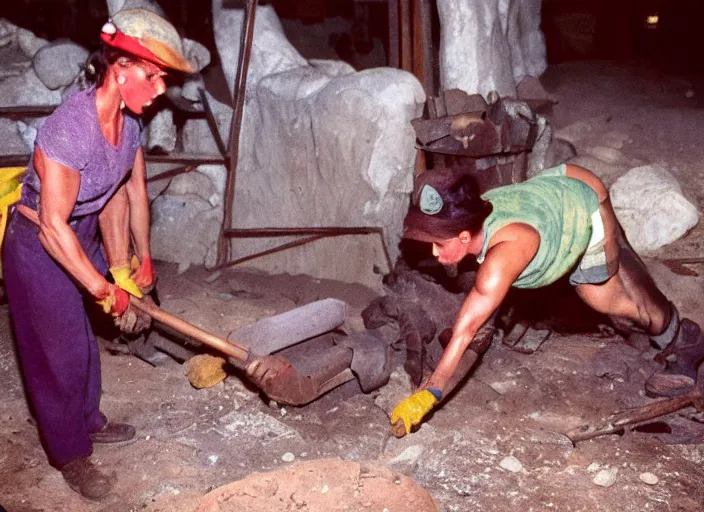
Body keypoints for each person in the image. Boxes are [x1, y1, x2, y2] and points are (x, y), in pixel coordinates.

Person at [2, 9, 194, 500]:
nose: (158, 90)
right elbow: (51, 225)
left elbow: (124, 196)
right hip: (38, 242)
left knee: (84, 343)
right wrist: (104, 289)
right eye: (151, 77)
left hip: (80, 230)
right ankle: (69, 454)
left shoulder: (129, 126)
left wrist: (135, 263)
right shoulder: (72, 128)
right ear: (120, 67)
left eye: (163, 80)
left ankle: (88, 421)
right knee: (58, 350)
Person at [391, 163, 704, 435]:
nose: (433, 252)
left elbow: (465, 330)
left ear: (462, 237)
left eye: (437, 244)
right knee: (605, 292)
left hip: (585, 203)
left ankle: (680, 335)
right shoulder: (474, 214)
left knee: (607, 299)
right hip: (560, 184)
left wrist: (430, 393)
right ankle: (653, 315)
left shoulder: (500, 262)